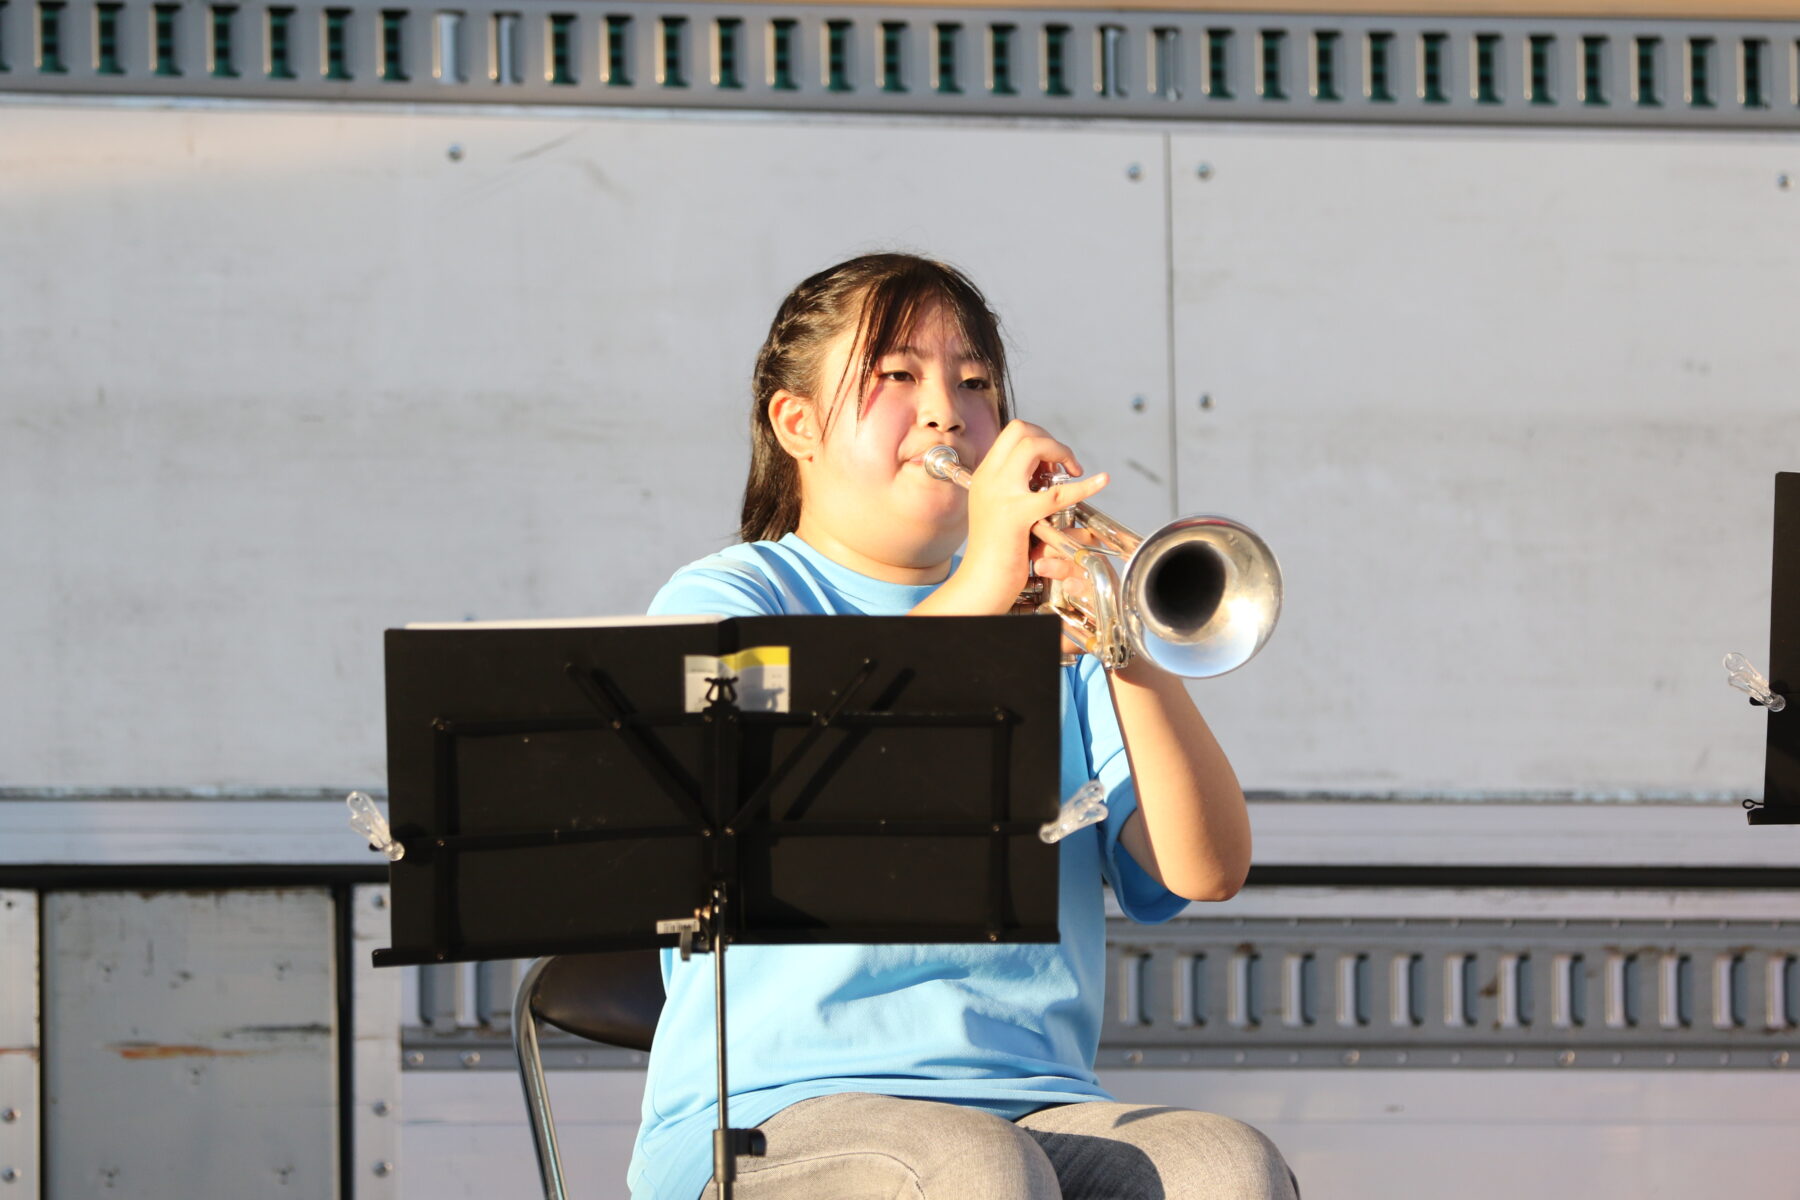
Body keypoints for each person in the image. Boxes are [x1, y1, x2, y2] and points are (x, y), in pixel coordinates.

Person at [628, 253, 1297, 1200]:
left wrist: (1126, 642)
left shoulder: (1042, 626)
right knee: (976, 1170)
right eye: (897, 376)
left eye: (975, 382)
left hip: (1034, 1103)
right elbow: (788, 784)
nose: (946, 410)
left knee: (1227, 1168)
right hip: (771, 1115)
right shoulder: (732, 597)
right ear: (798, 423)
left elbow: (1207, 868)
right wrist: (984, 587)